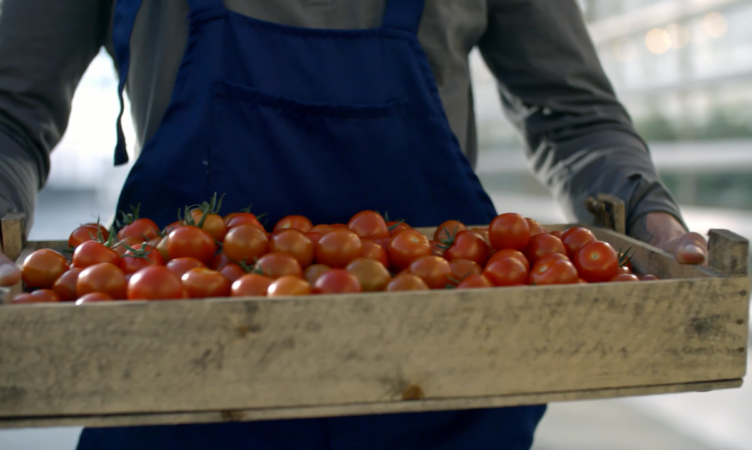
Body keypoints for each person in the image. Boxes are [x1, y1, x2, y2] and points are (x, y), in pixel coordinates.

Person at [0, 0, 708, 448]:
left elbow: (572, 112)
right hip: (172, 384)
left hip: (444, 381)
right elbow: (11, 109)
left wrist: (648, 211)